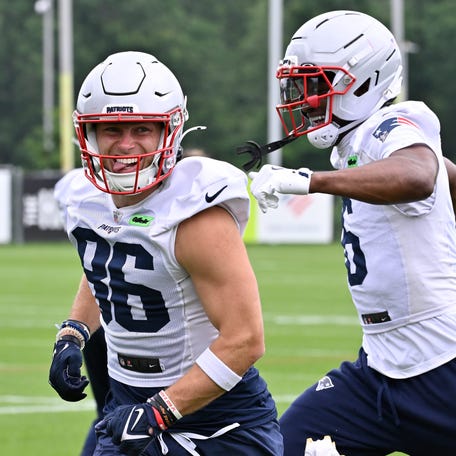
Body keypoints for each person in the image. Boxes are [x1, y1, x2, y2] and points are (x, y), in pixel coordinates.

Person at [48, 50, 283, 456]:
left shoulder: (195, 216)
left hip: (219, 420)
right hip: (127, 401)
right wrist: (73, 333)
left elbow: (245, 340)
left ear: (169, 131)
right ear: (87, 134)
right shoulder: (83, 199)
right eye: (110, 130)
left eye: (142, 128)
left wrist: (158, 412)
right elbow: (105, 267)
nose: (126, 145)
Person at [246, 10, 456, 456]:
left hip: (442, 366)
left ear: (364, 81)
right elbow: (443, 176)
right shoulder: (357, 143)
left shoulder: (390, 125)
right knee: (282, 448)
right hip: (378, 371)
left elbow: (421, 175)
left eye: (318, 84)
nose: (305, 98)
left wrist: (310, 181)